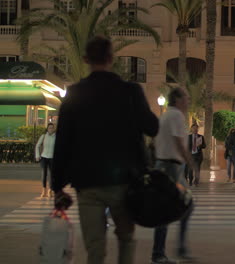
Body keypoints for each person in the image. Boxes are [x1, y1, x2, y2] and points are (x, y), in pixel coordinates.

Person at [52, 36, 159, 264]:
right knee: (126, 240)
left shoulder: (74, 93)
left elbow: (62, 143)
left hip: (87, 182)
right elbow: (152, 127)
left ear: (85, 59)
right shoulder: (130, 91)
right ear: (112, 59)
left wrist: (57, 186)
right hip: (125, 181)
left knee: (95, 248)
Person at [151, 88, 194, 263]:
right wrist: (191, 163)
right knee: (169, 208)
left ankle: (176, 249)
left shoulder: (165, 116)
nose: (188, 100)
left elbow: (155, 142)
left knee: (185, 205)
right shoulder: (176, 115)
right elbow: (179, 143)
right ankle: (159, 254)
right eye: (186, 97)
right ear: (177, 99)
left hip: (166, 165)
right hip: (171, 167)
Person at [35, 123, 56, 198]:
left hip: (52, 158)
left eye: (52, 128)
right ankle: (44, 190)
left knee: (52, 175)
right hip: (44, 157)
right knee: (44, 174)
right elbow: (37, 146)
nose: (51, 129)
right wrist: (37, 155)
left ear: (54, 129)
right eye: (49, 128)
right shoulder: (43, 136)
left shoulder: (56, 137)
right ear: (47, 128)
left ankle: (50, 190)